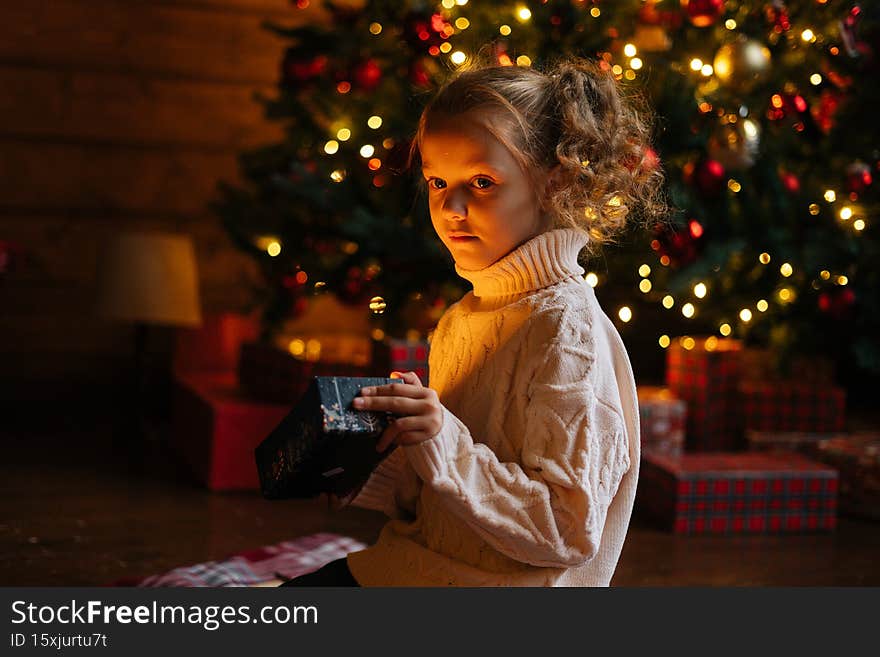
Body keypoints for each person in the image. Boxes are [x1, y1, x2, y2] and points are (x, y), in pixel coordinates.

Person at [281, 55, 666, 587]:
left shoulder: (567, 335)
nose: (452, 206)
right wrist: (380, 456)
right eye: (438, 182)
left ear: (554, 184)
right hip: (417, 567)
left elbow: (566, 531)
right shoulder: (463, 319)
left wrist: (443, 441)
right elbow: (446, 501)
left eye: (481, 182)